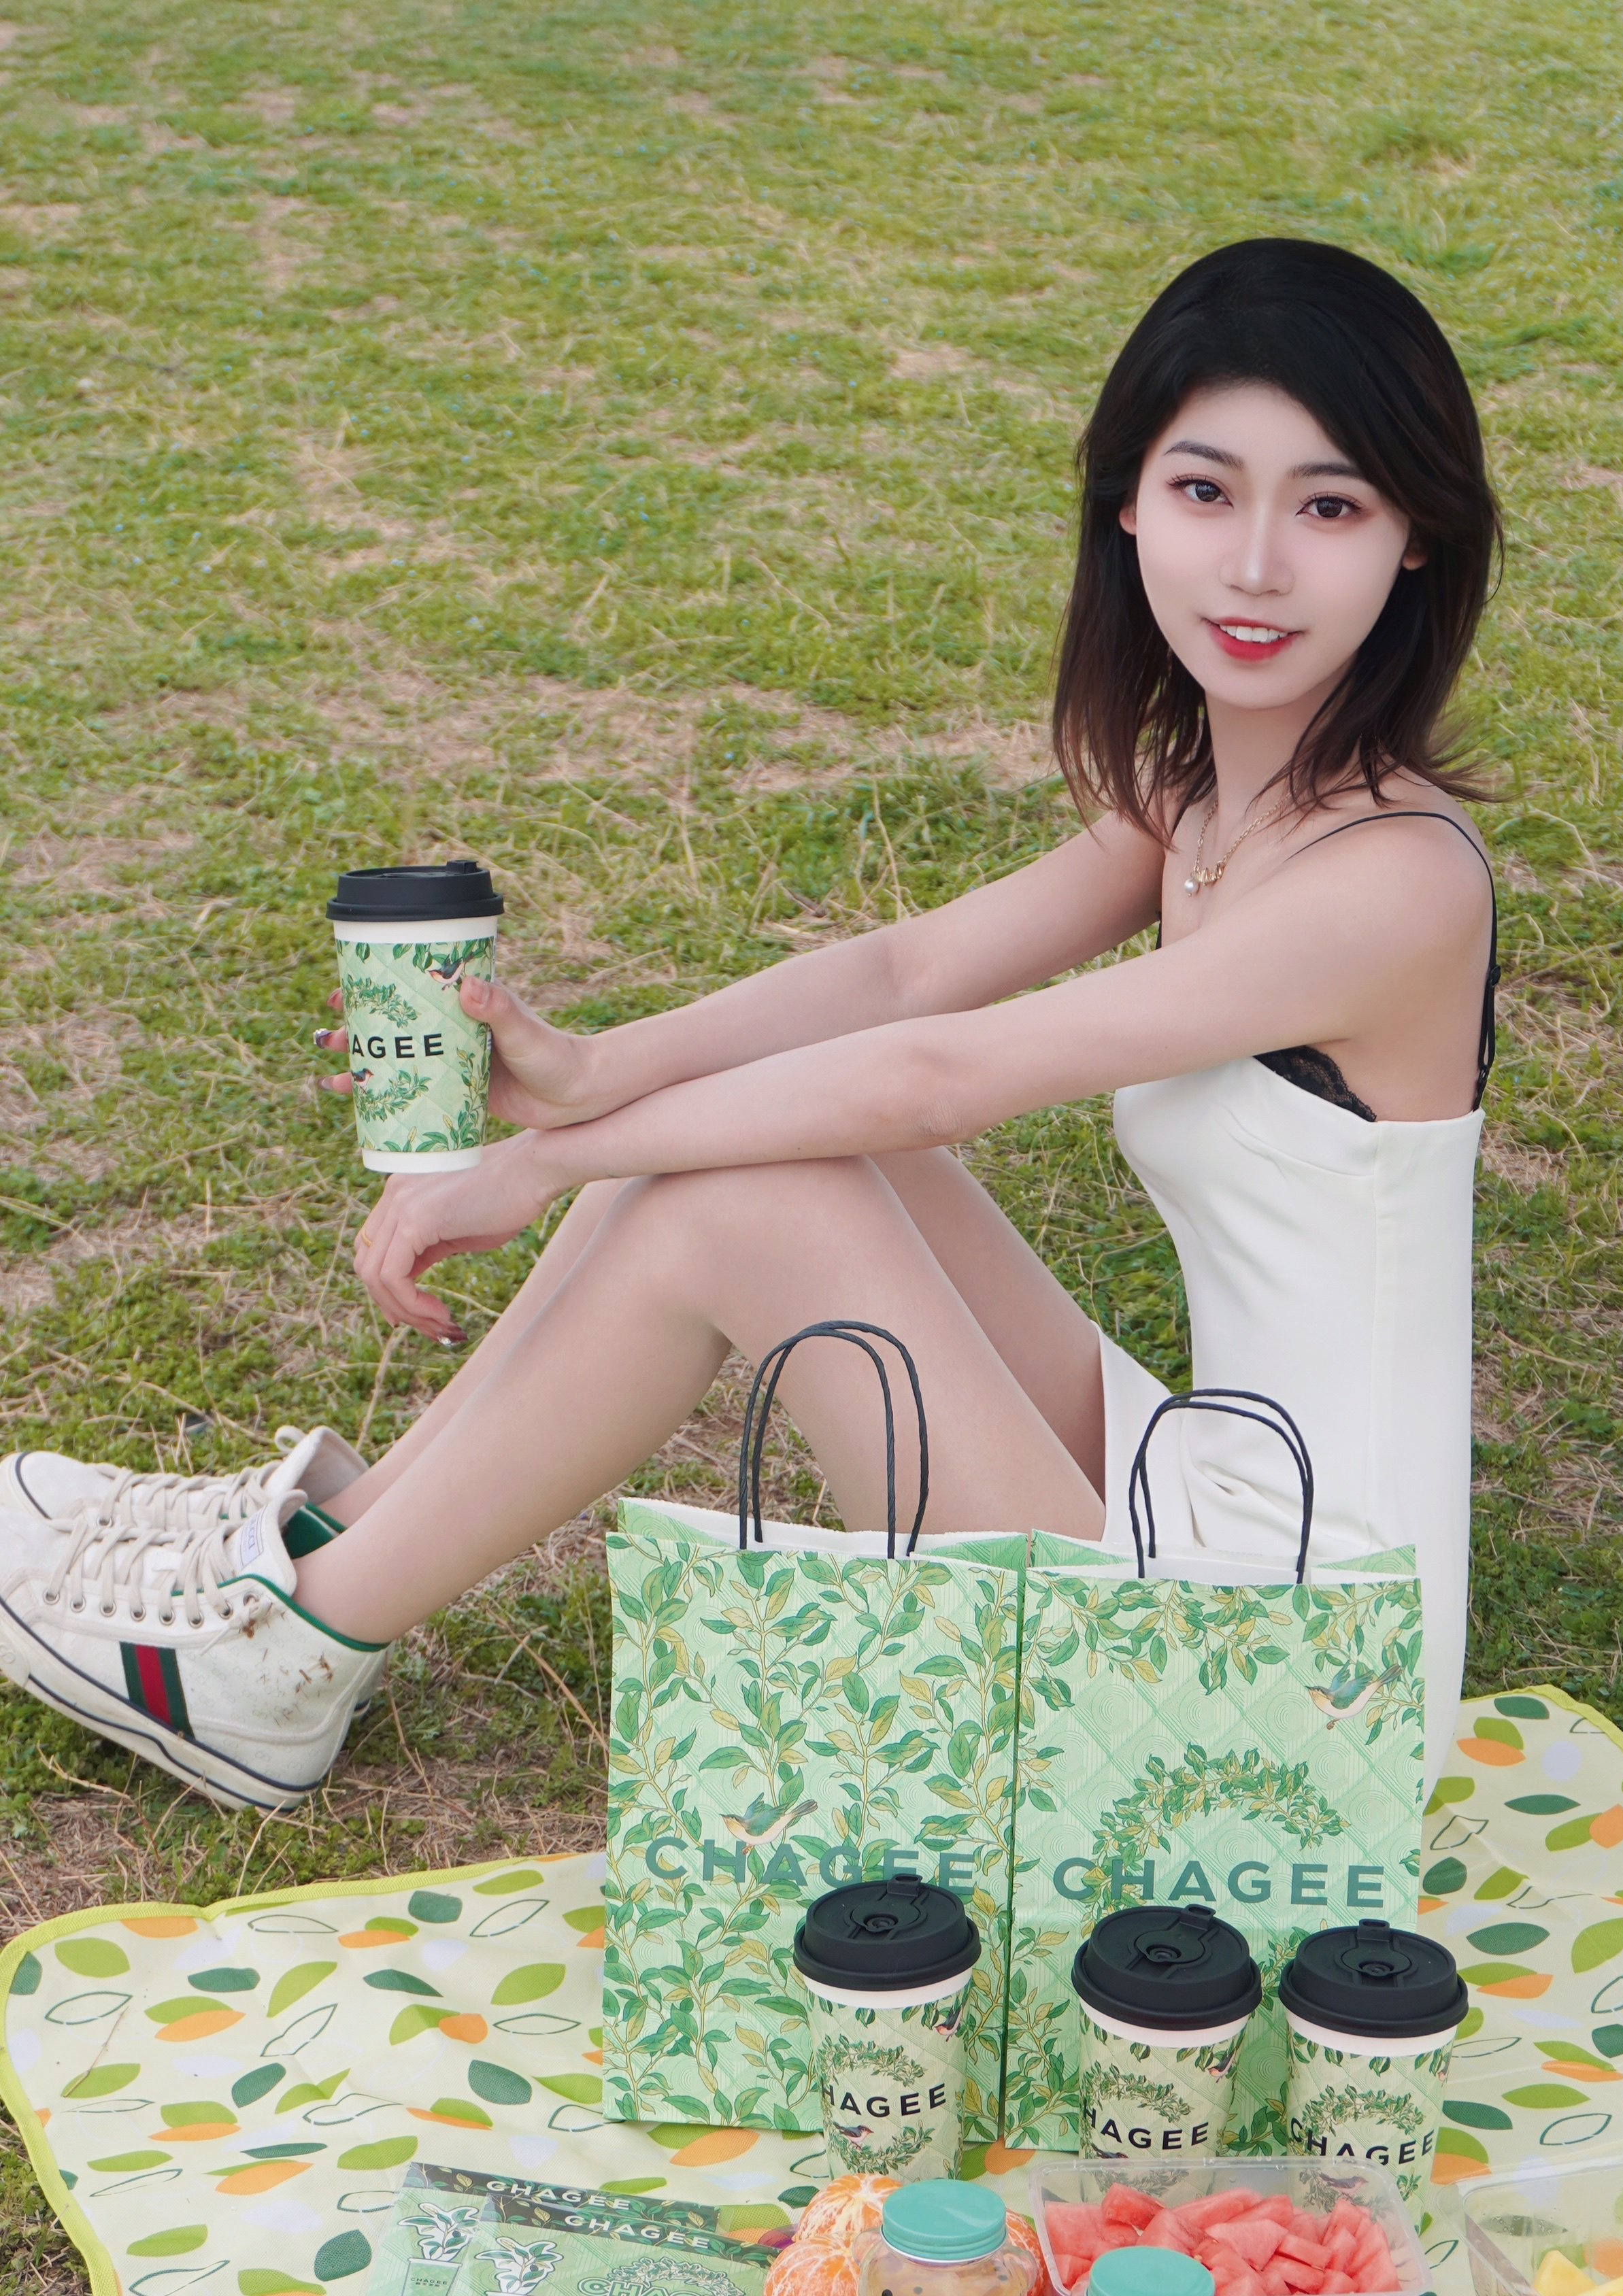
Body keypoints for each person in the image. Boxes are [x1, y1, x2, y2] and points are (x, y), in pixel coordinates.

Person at [0, 237, 1503, 1815]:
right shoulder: (1210, 804)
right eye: (1206, 490)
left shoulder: (1394, 883)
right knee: (767, 1134)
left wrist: (551, 1159)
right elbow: (906, 974)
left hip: (1304, 1696)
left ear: (1414, 536)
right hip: (1199, 1489)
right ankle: (331, 1553)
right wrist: (596, 1074)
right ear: (1128, 502)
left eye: (1329, 507)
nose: (1255, 564)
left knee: (754, 1194)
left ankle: (272, 1665)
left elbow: (939, 1071)